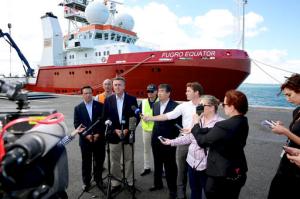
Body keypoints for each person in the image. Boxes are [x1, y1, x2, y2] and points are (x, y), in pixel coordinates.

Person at [143, 81, 204, 199]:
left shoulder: (201, 105)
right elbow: (166, 116)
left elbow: (178, 122)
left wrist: (178, 135)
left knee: (189, 169)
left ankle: (183, 191)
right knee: (171, 167)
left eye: (188, 91)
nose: (158, 93)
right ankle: (169, 188)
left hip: (191, 142)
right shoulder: (178, 106)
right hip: (170, 140)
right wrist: (150, 118)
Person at [161, 95, 224, 199]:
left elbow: (203, 142)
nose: (198, 108)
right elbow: (189, 138)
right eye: (199, 105)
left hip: (206, 166)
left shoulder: (220, 124)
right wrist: (171, 142)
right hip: (191, 163)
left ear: (212, 107)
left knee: (209, 193)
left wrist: (195, 124)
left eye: (202, 105)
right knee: (195, 191)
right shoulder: (199, 119)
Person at [192, 90, 249, 199]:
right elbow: (215, 132)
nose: (223, 107)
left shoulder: (224, 125)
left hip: (221, 174)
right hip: (237, 170)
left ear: (232, 107)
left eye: (224, 104)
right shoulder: (242, 121)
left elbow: (202, 141)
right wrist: (201, 129)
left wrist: (195, 124)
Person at [267, 73, 300, 199]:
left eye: (289, 95)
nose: (287, 99)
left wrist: (286, 132)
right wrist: (283, 127)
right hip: (287, 159)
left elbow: (291, 134)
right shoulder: (297, 111)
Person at [103, 77, 139, 192]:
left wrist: (128, 129)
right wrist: (115, 130)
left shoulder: (132, 99)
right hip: (114, 135)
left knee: (129, 160)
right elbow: (105, 117)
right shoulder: (108, 100)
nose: (117, 87)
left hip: (128, 134)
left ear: (124, 86)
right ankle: (115, 182)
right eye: (115, 85)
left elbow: (135, 117)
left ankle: (129, 182)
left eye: (119, 85)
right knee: (114, 161)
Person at [148, 84, 181, 199]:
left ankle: (173, 190)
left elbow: (179, 125)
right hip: (156, 139)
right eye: (159, 91)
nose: (159, 93)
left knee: (170, 165)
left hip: (169, 140)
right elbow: (156, 122)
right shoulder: (155, 105)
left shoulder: (176, 106)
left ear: (168, 93)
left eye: (162, 91)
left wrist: (173, 139)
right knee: (157, 163)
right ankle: (158, 184)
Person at [74, 85, 106, 191]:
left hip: (99, 139)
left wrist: (98, 134)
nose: (88, 95)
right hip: (85, 141)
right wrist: (86, 135)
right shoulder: (78, 108)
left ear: (92, 94)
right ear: (82, 94)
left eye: (89, 93)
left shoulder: (100, 105)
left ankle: (98, 180)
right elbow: (77, 124)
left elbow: (103, 123)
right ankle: (86, 182)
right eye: (85, 93)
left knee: (99, 161)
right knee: (86, 162)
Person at [140, 83, 158, 176]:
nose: (149, 93)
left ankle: (161, 169)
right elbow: (139, 113)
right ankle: (147, 167)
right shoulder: (143, 102)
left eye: (151, 91)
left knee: (159, 150)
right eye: (148, 91)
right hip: (146, 130)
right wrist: (141, 116)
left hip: (158, 130)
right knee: (146, 150)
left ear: (156, 92)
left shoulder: (160, 101)